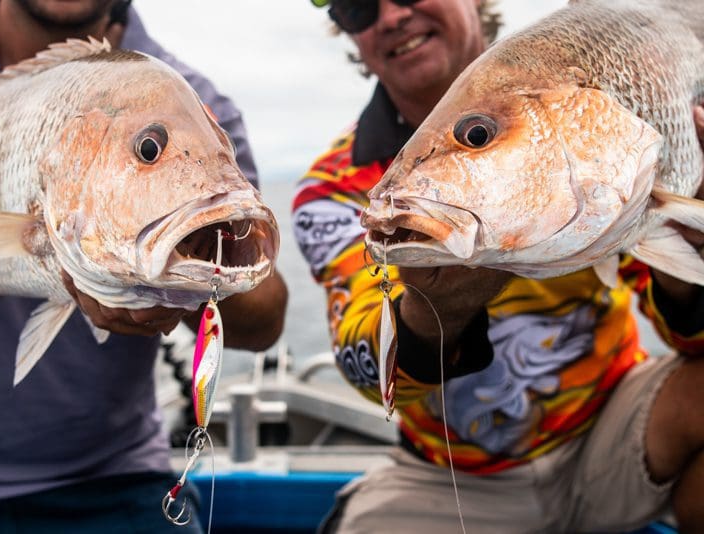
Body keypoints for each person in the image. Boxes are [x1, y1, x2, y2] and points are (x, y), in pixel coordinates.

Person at [293, 1, 704, 532]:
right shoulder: (335, 191)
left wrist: (685, 245)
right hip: (450, 481)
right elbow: (369, 373)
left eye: (478, 135)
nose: (392, 16)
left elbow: (688, 341)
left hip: (616, 430)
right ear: (351, 38)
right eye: (357, 6)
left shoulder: (605, 128)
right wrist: (433, 311)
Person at [0, 0, 287, 531]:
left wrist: (193, 283)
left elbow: (265, 319)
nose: (156, 152)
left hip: (113, 480)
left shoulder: (195, 102)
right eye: (149, 150)